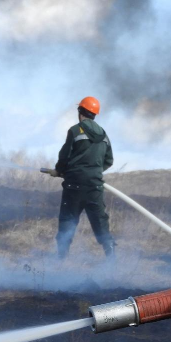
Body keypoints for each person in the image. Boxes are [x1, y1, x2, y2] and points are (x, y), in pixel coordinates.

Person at [51, 96, 115, 258]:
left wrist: (61, 170)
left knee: (68, 220)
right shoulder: (104, 134)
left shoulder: (75, 130)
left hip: (74, 185)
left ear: (80, 111)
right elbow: (109, 160)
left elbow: (64, 156)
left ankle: (60, 259)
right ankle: (111, 258)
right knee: (100, 221)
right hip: (95, 186)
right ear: (95, 114)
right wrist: (94, 172)